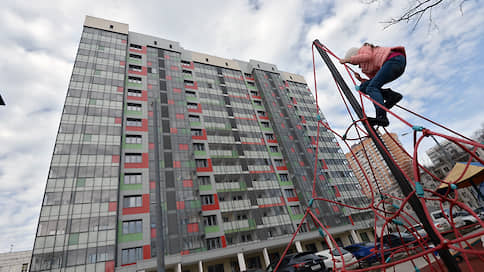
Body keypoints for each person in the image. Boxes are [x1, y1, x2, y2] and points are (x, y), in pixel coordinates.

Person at [339, 43, 406, 127]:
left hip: (394, 60)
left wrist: (347, 60)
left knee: (371, 88)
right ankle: (392, 96)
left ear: (356, 55)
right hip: (393, 66)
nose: (358, 65)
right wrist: (360, 79)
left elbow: (367, 57)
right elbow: (374, 80)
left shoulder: (364, 49)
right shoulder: (365, 67)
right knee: (364, 88)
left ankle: (381, 116)